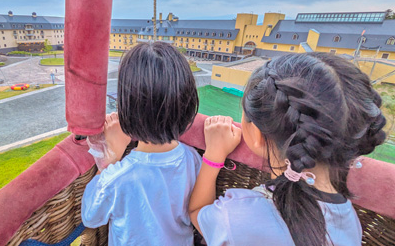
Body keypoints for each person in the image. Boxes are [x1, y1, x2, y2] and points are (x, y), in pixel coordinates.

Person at [189, 52, 387, 246]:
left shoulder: (236, 216)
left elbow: (197, 213)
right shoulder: (350, 220)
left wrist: (214, 154)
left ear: (257, 135)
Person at [81, 42, 201, 245]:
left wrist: (112, 157)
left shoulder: (117, 178)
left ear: (127, 108)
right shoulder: (193, 159)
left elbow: (91, 216)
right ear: (188, 105)